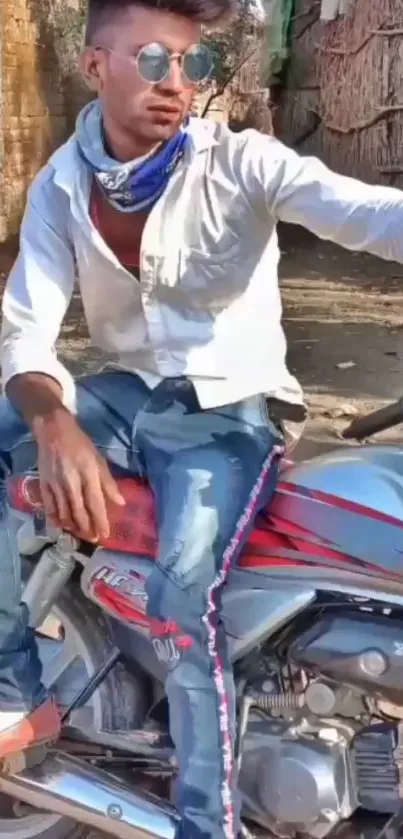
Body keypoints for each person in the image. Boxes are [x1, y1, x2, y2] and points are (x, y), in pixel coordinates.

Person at [2, 0, 403, 837]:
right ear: (97, 68)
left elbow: (365, 214)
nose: (177, 85)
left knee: (187, 600)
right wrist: (54, 423)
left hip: (226, 409)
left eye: (194, 65)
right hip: (123, 394)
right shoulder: (62, 184)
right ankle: (11, 689)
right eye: (153, 62)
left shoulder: (241, 163)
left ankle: (204, 821)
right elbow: (26, 329)